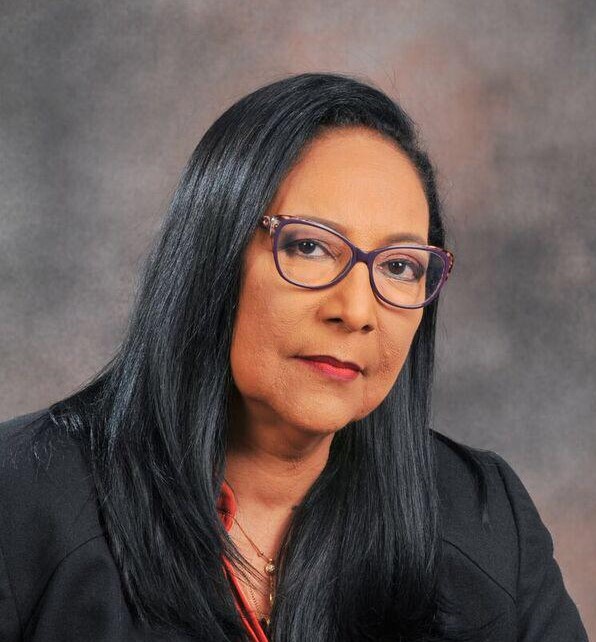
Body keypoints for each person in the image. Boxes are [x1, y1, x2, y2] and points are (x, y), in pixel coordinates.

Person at [0, 72, 588, 642]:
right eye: (309, 246)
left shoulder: (486, 520)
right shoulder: (22, 500)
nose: (356, 310)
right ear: (214, 253)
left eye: (399, 266)